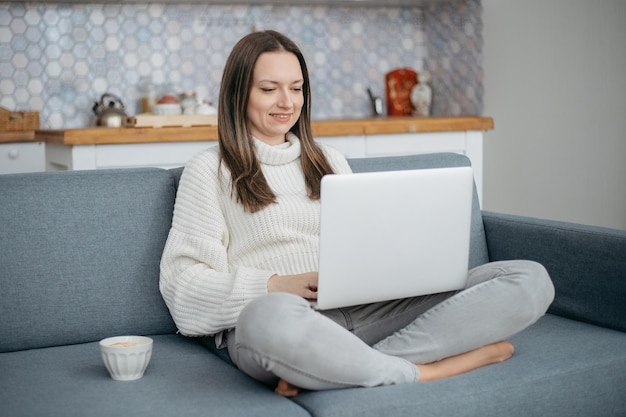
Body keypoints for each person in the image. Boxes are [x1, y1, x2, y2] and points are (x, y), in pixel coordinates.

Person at [159, 30, 555, 397]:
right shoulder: (209, 170)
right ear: (238, 95)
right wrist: (275, 285)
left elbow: (366, 245)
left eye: (296, 88)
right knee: (266, 318)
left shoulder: (329, 160)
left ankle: (333, 368)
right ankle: (421, 370)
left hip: (368, 312)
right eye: (269, 89)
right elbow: (183, 289)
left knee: (528, 279)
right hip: (287, 323)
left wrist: (401, 267)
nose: (287, 102)